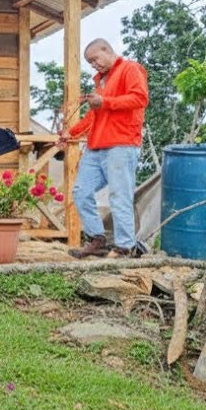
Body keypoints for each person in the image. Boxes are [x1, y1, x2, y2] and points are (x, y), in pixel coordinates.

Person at [58, 38, 149, 258]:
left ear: (106, 50)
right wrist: (71, 133)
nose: (93, 65)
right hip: (96, 146)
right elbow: (94, 115)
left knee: (120, 195)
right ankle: (96, 239)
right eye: (89, 62)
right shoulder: (101, 81)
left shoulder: (130, 68)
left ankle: (125, 247)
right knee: (81, 191)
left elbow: (140, 98)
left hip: (122, 144)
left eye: (95, 59)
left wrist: (105, 102)